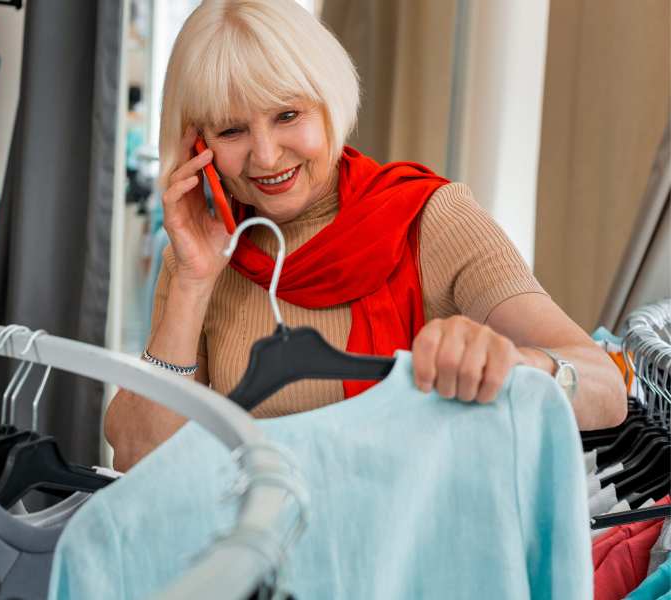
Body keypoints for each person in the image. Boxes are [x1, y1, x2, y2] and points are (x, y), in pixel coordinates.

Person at [105, 0, 626, 472]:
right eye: (230, 131)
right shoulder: (200, 256)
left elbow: (605, 389)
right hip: (252, 541)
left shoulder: (430, 219)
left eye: (288, 115)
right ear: (199, 145)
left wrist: (518, 365)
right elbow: (136, 457)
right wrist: (193, 283)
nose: (265, 155)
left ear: (330, 105)